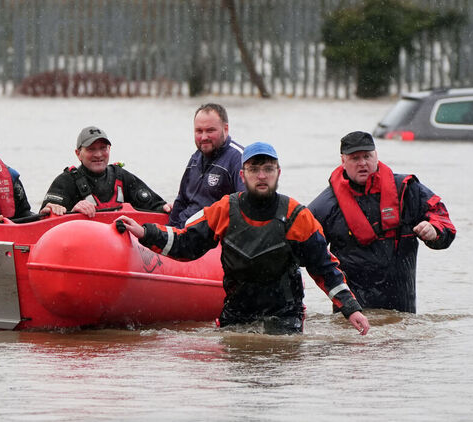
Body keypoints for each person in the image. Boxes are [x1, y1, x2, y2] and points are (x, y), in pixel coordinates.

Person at [117, 142, 370, 335]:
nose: (261, 176)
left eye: (268, 169)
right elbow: (187, 244)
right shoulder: (224, 209)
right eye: (255, 169)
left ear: (278, 173)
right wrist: (145, 232)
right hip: (237, 313)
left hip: (284, 316)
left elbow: (324, 267)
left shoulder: (296, 215)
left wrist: (350, 308)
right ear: (242, 174)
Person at [308, 131, 456, 313]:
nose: (362, 163)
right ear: (343, 161)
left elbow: (444, 221)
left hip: (402, 311)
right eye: (355, 158)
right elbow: (299, 245)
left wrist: (435, 231)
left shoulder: (406, 190)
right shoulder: (326, 205)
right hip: (352, 314)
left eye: (367, 156)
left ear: (376, 156)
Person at [40, 126, 171, 218]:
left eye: (103, 148)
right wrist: (72, 213)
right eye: (91, 149)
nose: (98, 154)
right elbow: (44, 219)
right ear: (78, 154)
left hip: (119, 248)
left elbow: (156, 207)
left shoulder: (122, 177)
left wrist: (167, 208)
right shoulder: (65, 181)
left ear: (109, 149)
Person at [169, 103, 245, 227]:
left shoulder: (240, 159)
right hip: (184, 232)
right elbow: (181, 201)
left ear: (225, 129)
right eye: (199, 131)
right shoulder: (195, 158)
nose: (204, 137)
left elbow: (249, 207)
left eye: (210, 130)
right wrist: (169, 231)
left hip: (212, 237)